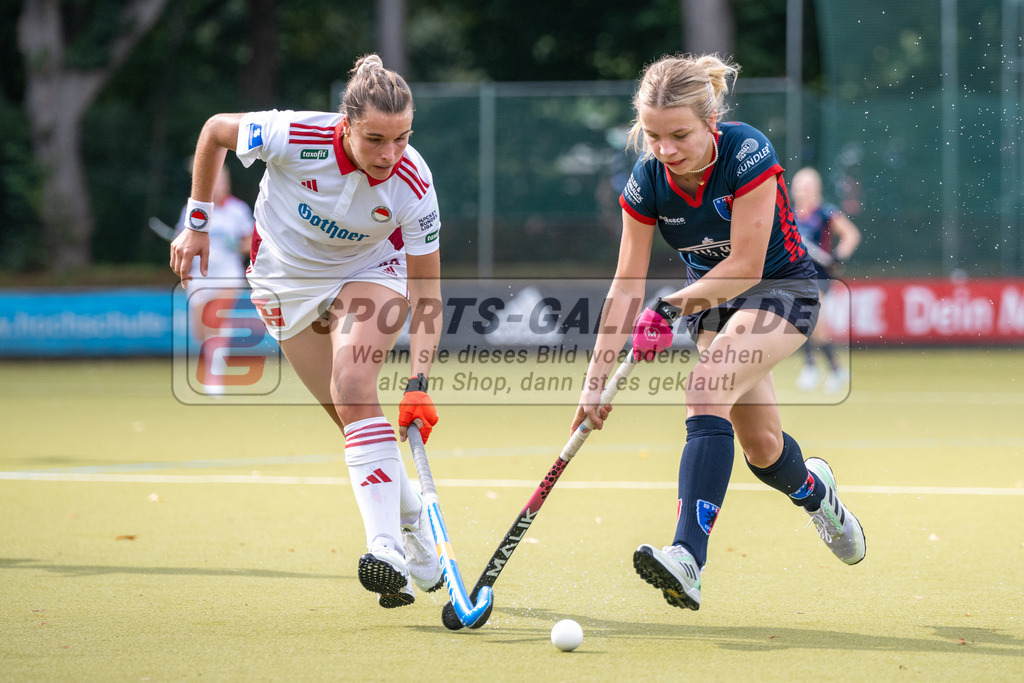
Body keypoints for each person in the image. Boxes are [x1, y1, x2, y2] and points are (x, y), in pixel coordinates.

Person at [572, 54, 866, 612]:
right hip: (713, 308)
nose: (666, 150)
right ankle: (815, 492)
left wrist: (669, 306)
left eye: (679, 134)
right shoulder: (648, 180)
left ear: (711, 120)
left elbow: (748, 265)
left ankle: (687, 558)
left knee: (705, 387)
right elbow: (623, 285)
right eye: (654, 136)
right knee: (763, 449)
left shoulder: (746, 150)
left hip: (780, 291)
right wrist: (595, 381)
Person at [169, 54, 444, 609]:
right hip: (282, 283)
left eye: (402, 138)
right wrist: (197, 221)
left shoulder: (413, 181)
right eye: (375, 140)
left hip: (370, 272)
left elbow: (428, 292)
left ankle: (385, 548)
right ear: (345, 126)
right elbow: (214, 131)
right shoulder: (294, 134)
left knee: (353, 384)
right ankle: (415, 527)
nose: (390, 155)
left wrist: (418, 380)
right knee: (351, 419)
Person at [174, 163, 254, 395]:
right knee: (201, 331)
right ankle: (215, 358)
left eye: (221, 179)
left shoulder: (238, 210)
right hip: (201, 275)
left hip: (228, 274)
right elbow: (183, 242)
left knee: (214, 318)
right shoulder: (192, 211)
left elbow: (250, 244)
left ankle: (214, 375)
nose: (217, 184)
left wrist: (235, 245)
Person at [790, 166, 861, 394]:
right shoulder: (788, 216)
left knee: (812, 321)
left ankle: (827, 369)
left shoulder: (825, 213)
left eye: (806, 186)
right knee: (804, 323)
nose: (801, 191)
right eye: (798, 186)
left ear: (816, 189)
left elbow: (851, 235)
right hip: (794, 277)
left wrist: (838, 257)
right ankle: (817, 368)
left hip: (818, 276)